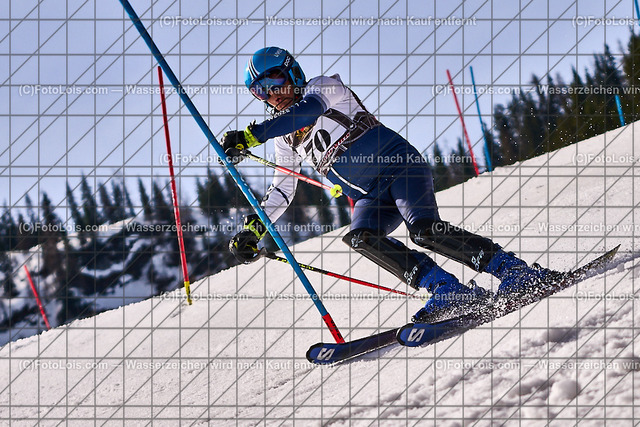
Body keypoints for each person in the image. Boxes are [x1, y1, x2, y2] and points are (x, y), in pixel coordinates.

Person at [223, 46, 558, 323]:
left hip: (401, 169)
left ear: (293, 73)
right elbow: (283, 189)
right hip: (370, 197)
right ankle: (446, 290)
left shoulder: (323, 88)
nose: (272, 95)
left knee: (425, 231)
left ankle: (514, 270)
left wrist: (252, 135)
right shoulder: (284, 140)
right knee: (361, 238)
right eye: (261, 91)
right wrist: (254, 229)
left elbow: (307, 112)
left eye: (275, 82)